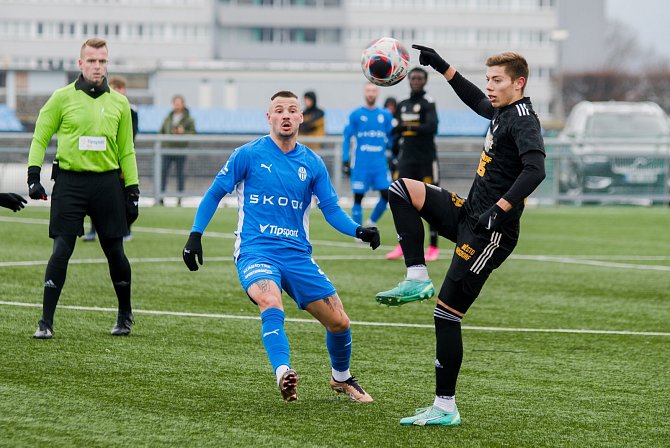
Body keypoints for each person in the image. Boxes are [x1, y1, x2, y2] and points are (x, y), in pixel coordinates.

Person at [376, 46, 546, 426]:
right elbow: (474, 100)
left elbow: (535, 171)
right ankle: (416, 275)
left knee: (446, 315)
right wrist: (441, 65)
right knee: (401, 190)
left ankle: (445, 407)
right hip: (470, 213)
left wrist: (498, 211)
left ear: (519, 84)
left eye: (497, 80)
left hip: (492, 234)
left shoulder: (523, 119)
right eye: (488, 79)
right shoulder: (501, 110)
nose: (489, 86)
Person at [182, 90, 380, 403]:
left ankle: (341, 378)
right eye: (279, 110)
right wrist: (195, 234)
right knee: (270, 301)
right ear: (269, 117)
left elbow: (330, 209)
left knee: (339, 322)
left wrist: (358, 230)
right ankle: (283, 373)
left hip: (296, 255)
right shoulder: (248, 154)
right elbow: (213, 193)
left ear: (301, 118)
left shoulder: (312, 163)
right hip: (256, 251)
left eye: (292, 110)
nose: (285, 115)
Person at [27, 38, 140, 339]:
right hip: (70, 183)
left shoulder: (119, 102)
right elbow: (41, 136)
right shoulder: (61, 98)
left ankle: (125, 315)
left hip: (107, 184)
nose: (97, 66)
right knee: (61, 249)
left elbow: (126, 150)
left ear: (107, 63)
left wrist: (133, 190)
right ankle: (46, 321)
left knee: (114, 250)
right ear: (80, 63)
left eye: (102, 61)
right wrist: (33, 175)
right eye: (91, 60)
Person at [386, 67, 442, 262]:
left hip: (426, 160)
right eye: (413, 78)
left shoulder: (428, 102)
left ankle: (433, 246)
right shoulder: (402, 104)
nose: (416, 81)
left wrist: (408, 127)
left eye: (419, 78)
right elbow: (395, 132)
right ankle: (403, 244)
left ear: (425, 81)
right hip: (406, 160)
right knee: (402, 201)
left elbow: (432, 126)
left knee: (433, 202)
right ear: (408, 80)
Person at [83, 75, 138, 242]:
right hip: (102, 159)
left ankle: (126, 229)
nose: (118, 91)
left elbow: (130, 137)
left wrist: (123, 160)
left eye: (121, 88)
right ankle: (93, 230)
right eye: (115, 87)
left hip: (120, 159)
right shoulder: (99, 107)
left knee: (123, 195)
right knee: (96, 196)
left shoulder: (130, 110)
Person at [342, 82, 393, 227]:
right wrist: (345, 160)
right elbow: (346, 138)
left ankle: (371, 221)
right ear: (364, 93)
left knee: (386, 195)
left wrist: (394, 157)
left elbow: (391, 138)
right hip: (361, 165)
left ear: (377, 94)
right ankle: (358, 232)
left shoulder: (385, 115)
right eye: (368, 91)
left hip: (379, 165)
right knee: (358, 197)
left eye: (373, 91)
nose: (371, 93)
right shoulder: (356, 115)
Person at [160, 94, 196, 206]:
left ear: (183, 104)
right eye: (175, 103)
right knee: (163, 173)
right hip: (167, 150)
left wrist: (183, 132)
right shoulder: (168, 118)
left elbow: (193, 133)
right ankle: (161, 197)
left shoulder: (189, 119)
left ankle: (179, 199)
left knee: (180, 174)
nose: (177, 106)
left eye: (179, 103)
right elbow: (161, 131)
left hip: (180, 150)